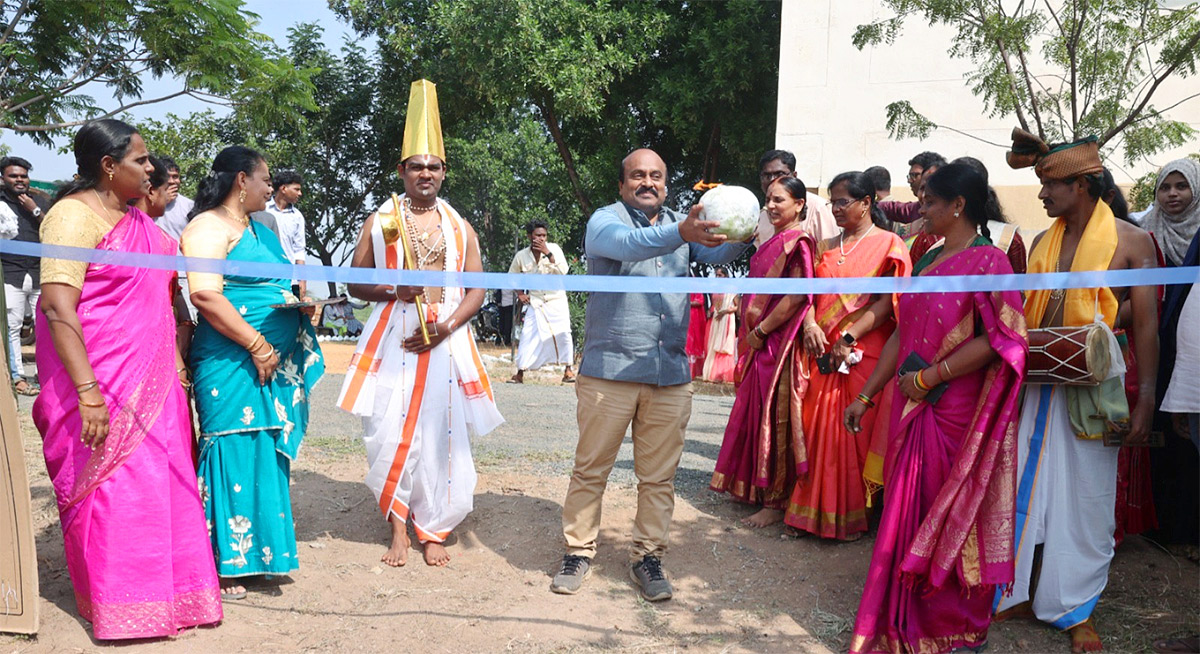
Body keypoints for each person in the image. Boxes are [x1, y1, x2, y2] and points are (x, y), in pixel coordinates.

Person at [32, 118, 222, 638]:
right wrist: (89, 394)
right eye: (140, 160)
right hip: (100, 382)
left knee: (163, 481)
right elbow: (56, 307)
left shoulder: (139, 220)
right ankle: (123, 606)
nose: (150, 166)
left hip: (155, 382)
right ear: (109, 166)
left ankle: (178, 599)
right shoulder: (72, 218)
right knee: (116, 488)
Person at [550, 147, 749, 601]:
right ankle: (578, 551)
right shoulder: (605, 221)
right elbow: (626, 246)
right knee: (591, 470)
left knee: (659, 478)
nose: (647, 182)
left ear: (666, 183)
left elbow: (720, 255)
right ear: (622, 185)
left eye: (656, 176)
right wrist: (681, 232)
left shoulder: (683, 225)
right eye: (637, 175)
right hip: (610, 372)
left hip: (669, 374)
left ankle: (648, 557)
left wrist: (749, 228)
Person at [845, 163, 1027, 654]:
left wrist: (929, 378)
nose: (920, 210)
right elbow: (902, 333)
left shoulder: (990, 262)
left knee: (954, 513)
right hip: (915, 407)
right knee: (910, 511)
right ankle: (908, 615)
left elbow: (999, 340)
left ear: (958, 206)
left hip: (960, 412)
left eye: (929, 202)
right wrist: (867, 395)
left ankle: (957, 626)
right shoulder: (926, 264)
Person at [994, 129, 1159, 654]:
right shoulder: (1042, 244)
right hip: (1039, 383)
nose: (1041, 195)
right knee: (1023, 487)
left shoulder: (1133, 243)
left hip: (1099, 387)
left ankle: (1074, 608)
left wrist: (1147, 399)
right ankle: (1012, 592)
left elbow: (1149, 327)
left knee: (1089, 500)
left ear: (1082, 185)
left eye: (1051, 186)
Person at [338, 79, 503, 568]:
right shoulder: (382, 220)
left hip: (445, 340)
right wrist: (394, 291)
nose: (424, 173)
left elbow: (478, 289)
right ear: (402, 171)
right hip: (395, 338)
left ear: (444, 171)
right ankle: (398, 526)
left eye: (433, 166)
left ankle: (436, 528)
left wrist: (446, 325)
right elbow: (354, 283)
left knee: (444, 431)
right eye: (416, 166)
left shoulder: (459, 225)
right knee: (387, 427)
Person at [182, 146, 325, 599]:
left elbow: (276, 285)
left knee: (265, 446)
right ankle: (225, 560)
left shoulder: (261, 229)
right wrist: (258, 343)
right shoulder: (207, 226)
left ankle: (263, 556)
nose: (271, 187)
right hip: (229, 360)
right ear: (242, 180)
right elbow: (205, 296)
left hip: (268, 363)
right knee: (231, 447)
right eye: (265, 180)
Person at [782, 171, 911, 541]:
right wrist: (809, 325)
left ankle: (852, 519)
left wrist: (850, 335)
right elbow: (805, 294)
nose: (835, 208)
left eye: (842, 201)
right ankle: (810, 514)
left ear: (866, 203)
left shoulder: (890, 245)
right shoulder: (822, 247)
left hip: (864, 352)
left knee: (852, 433)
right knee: (815, 429)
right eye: (831, 202)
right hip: (820, 348)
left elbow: (890, 303)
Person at [710, 176, 815, 527]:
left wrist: (761, 330)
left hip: (780, 345)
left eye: (779, 200)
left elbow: (799, 295)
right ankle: (757, 488)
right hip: (759, 342)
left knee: (777, 417)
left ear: (799, 204)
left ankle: (776, 501)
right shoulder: (771, 240)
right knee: (756, 414)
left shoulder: (799, 242)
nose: (770, 206)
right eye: (768, 199)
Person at [1144, 158, 1200, 556]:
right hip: (1157, 349)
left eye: (1182, 186)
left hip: (1194, 349)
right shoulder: (1144, 232)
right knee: (1163, 438)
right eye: (1166, 187)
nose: (1174, 194)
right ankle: (1163, 527)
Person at [0, 155, 49, 396]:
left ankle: (47, 375)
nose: (20, 180)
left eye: (23, 176)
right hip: (10, 273)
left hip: (40, 273)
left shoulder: (40, 200)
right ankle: (17, 377)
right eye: (14, 176)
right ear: (3, 178)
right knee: (12, 326)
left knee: (46, 327)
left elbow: (51, 229)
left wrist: (35, 209)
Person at [507, 219, 575, 384]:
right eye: (537, 235)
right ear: (529, 236)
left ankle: (568, 370)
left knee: (564, 333)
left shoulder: (555, 249)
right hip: (535, 301)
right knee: (527, 335)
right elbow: (511, 278)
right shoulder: (521, 256)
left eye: (544, 235)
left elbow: (564, 271)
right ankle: (520, 373)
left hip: (556, 299)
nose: (541, 239)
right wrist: (520, 294)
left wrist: (548, 254)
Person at [754, 149, 839, 247]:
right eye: (767, 175)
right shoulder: (763, 215)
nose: (773, 180)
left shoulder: (818, 208)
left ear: (794, 176)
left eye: (779, 174)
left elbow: (830, 253)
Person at [255, 170, 308, 298]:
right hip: (264, 278)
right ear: (283, 188)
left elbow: (299, 250)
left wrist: (302, 280)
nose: (300, 194)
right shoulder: (262, 210)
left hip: (290, 281)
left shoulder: (297, 217)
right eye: (296, 189)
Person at [880, 151, 946, 239]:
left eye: (914, 175)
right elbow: (893, 208)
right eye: (922, 188)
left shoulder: (952, 230)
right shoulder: (916, 211)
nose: (910, 181)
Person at [700, 268, 737, 384]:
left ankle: (725, 373)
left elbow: (738, 306)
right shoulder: (715, 290)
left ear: (726, 276)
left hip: (727, 318)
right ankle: (712, 373)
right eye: (716, 275)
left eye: (720, 275)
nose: (718, 277)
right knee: (714, 343)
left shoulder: (732, 290)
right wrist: (711, 312)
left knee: (725, 345)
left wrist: (725, 312)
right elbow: (714, 305)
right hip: (716, 319)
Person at [154, 156, 195, 241]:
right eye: (167, 176)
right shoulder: (147, 203)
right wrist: (162, 202)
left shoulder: (189, 206)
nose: (171, 181)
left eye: (175, 177)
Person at [685, 291, 708, 378]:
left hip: (695, 318)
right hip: (687, 316)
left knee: (694, 342)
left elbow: (700, 301)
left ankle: (693, 371)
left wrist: (687, 303)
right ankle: (687, 371)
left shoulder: (697, 289)